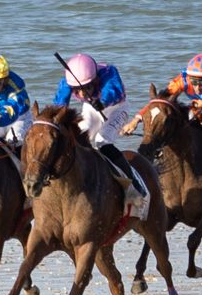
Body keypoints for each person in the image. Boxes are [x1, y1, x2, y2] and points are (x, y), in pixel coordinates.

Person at [52, 52, 146, 201]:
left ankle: (133, 185)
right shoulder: (68, 80)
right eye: (77, 90)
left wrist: (102, 102)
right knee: (80, 136)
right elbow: (60, 104)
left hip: (117, 109)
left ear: (95, 79)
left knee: (102, 141)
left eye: (87, 88)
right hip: (92, 108)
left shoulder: (109, 72)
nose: (82, 93)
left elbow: (113, 90)